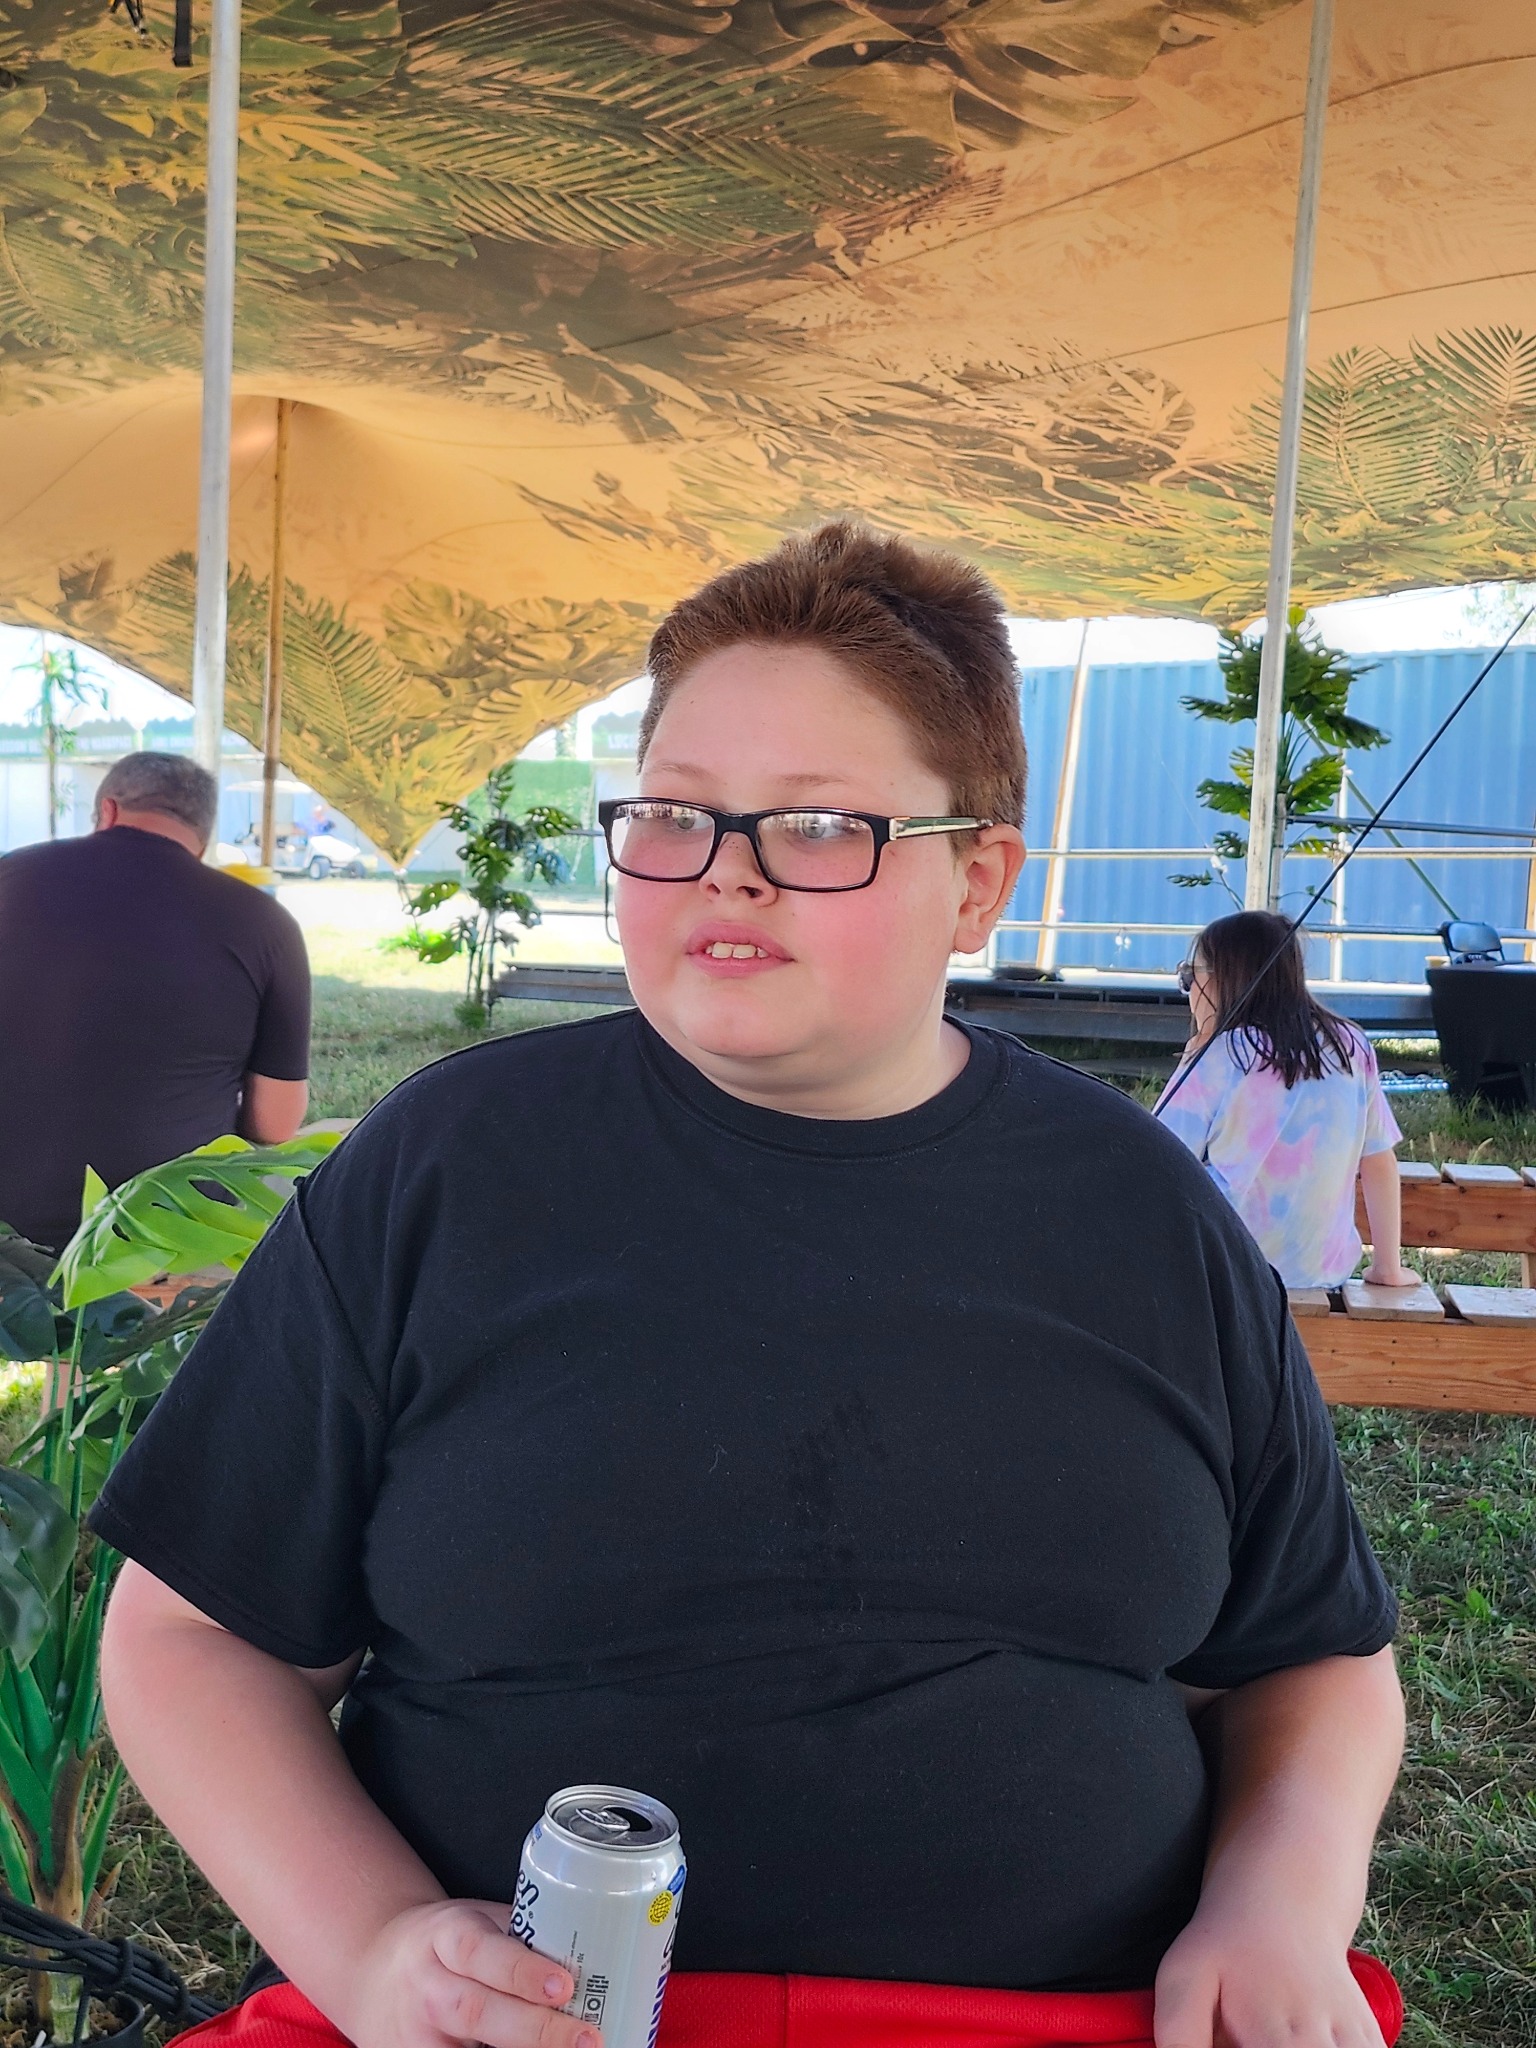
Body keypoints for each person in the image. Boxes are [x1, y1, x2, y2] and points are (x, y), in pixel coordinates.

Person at [94, 527, 1404, 2048]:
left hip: (1059, 2015)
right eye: (677, 814)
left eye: (820, 826)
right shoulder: (449, 1167)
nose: (729, 870)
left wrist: (1281, 1901)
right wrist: (376, 1948)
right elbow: (191, 1639)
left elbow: (1313, 1658)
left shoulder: (1143, 1209)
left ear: (978, 881)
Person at [0, 751, 311, 1252]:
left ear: (108, 810)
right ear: (202, 838)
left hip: (7, 1231)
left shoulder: (9, 877)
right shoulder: (267, 924)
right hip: (156, 1236)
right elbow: (274, 1122)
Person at [1156, 911, 1419, 1293]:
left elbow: (1157, 1155)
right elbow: (1378, 1158)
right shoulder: (1350, 1045)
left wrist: (1191, 1056)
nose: (1189, 990)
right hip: (1320, 1275)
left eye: (1188, 976)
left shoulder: (1219, 1055)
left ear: (1220, 979)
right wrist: (1388, 1268)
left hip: (1227, 1273)